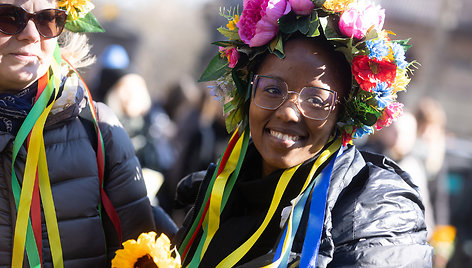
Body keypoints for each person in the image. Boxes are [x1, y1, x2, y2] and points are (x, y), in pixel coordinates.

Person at [174, 0, 433, 267]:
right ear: (248, 93)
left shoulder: (378, 211)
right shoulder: (217, 189)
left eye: (316, 100)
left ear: (342, 114)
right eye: (273, 90)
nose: (288, 112)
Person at [0, 0, 158, 267]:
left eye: (47, 19)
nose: (31, 34)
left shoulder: (97, 126)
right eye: (9, 18)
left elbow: (140, 252)